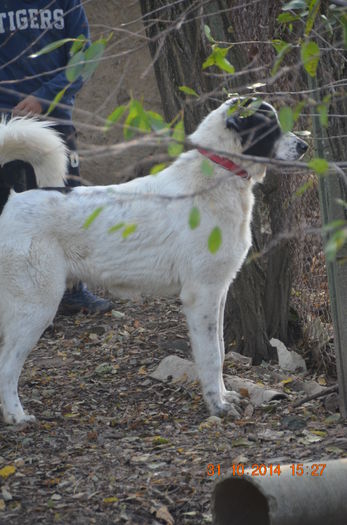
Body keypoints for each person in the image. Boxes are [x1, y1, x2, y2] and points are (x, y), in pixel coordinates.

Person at [0, 0, 113, 314]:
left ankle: (71, 292)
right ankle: (14, 300)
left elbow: (83, 60)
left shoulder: (66, 2)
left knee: (63, 206)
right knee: (7, 210)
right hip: (5, 126)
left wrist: (44, 98)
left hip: (55, 121)